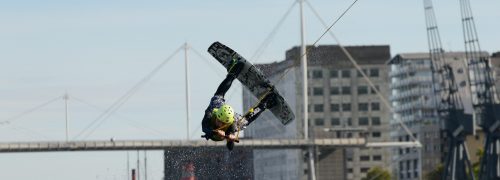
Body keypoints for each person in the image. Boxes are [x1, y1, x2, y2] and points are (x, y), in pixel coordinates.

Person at [201, 58, 276, 150]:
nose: (220, 123)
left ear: (228, 122)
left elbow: (229, 142)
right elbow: (205, 128)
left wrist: (229, 135)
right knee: (219, 97)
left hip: (231, 118)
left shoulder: (231, 124)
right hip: (215, 120)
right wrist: (220, 135)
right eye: (219, 121)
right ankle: (265, 104)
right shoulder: (210, 115)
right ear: (217, 117)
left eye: (223, 123)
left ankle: (233, 73)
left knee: (241, 121)